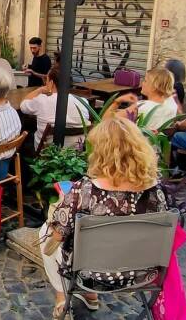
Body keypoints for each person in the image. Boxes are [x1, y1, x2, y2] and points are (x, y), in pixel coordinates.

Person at [39, 117, 169, 318]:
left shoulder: (85, 190)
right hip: (142, 273)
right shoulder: (155, 190)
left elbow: (57, 235)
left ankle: (61, 297)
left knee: (48, 233)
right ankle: (89, 297)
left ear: (101, 152)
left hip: (93, 275)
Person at [20, 66, 91, 148]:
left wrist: (40, 90)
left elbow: (23, 105)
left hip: (46, 153)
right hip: (74, 154)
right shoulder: (83, 102)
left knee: (26, 135)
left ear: (51, 83)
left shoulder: (42, 100)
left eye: (46, 79)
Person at [114, 68, 180, 131]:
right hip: (158, 141)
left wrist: (117, 101)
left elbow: (109, 119)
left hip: (138, 140)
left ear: (154, 86)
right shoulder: (172, 103)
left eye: (145, 81)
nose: (142, 83)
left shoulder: (141, 106)